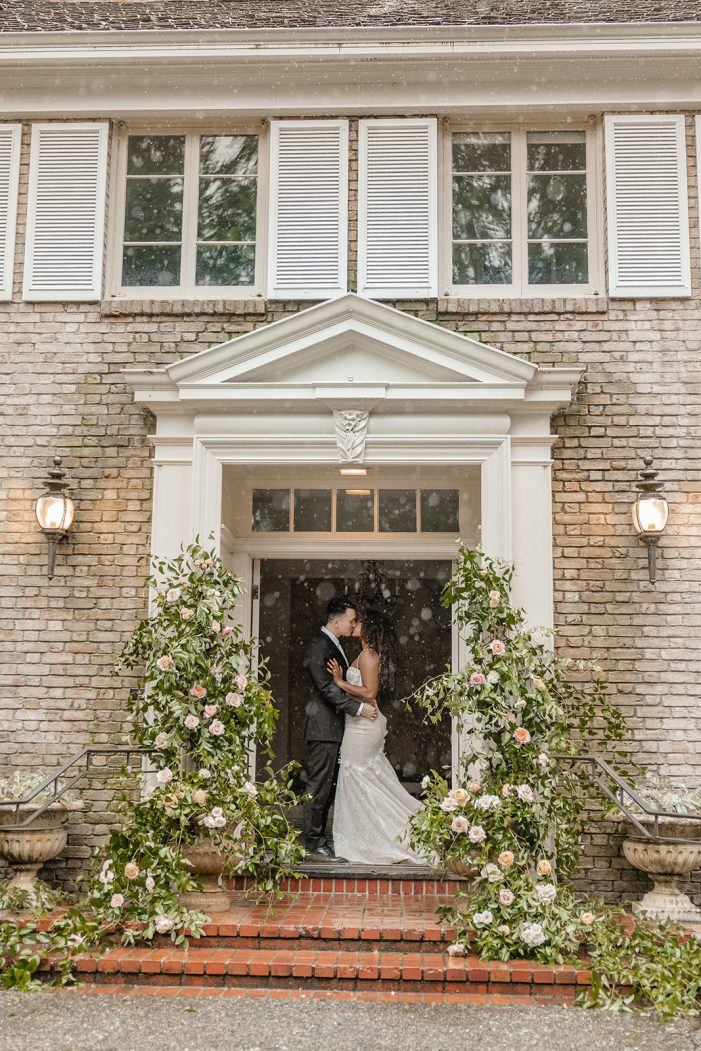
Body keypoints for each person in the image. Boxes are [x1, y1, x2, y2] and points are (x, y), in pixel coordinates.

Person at [328, 608, 424, 865]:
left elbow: (369, 692)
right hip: (359, 723)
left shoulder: (369, 656)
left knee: (358, 778)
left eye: (359, 622)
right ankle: (367, 835)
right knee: (365, 779)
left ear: (369, 628)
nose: (354, 624)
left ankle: (383, 836)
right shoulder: (364, 654)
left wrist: (340, 682)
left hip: (363, 726)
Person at [302, 597, 378, 861]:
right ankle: (312, 844)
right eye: (350, 620)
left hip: (333, 729)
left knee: (327, 787)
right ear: (336, 621)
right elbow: (326, 688)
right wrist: (358, 709)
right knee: (318, 787)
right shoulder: (318, 647)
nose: (353, 624)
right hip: (322, 729)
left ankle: (319, 839)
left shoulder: (332, 645)